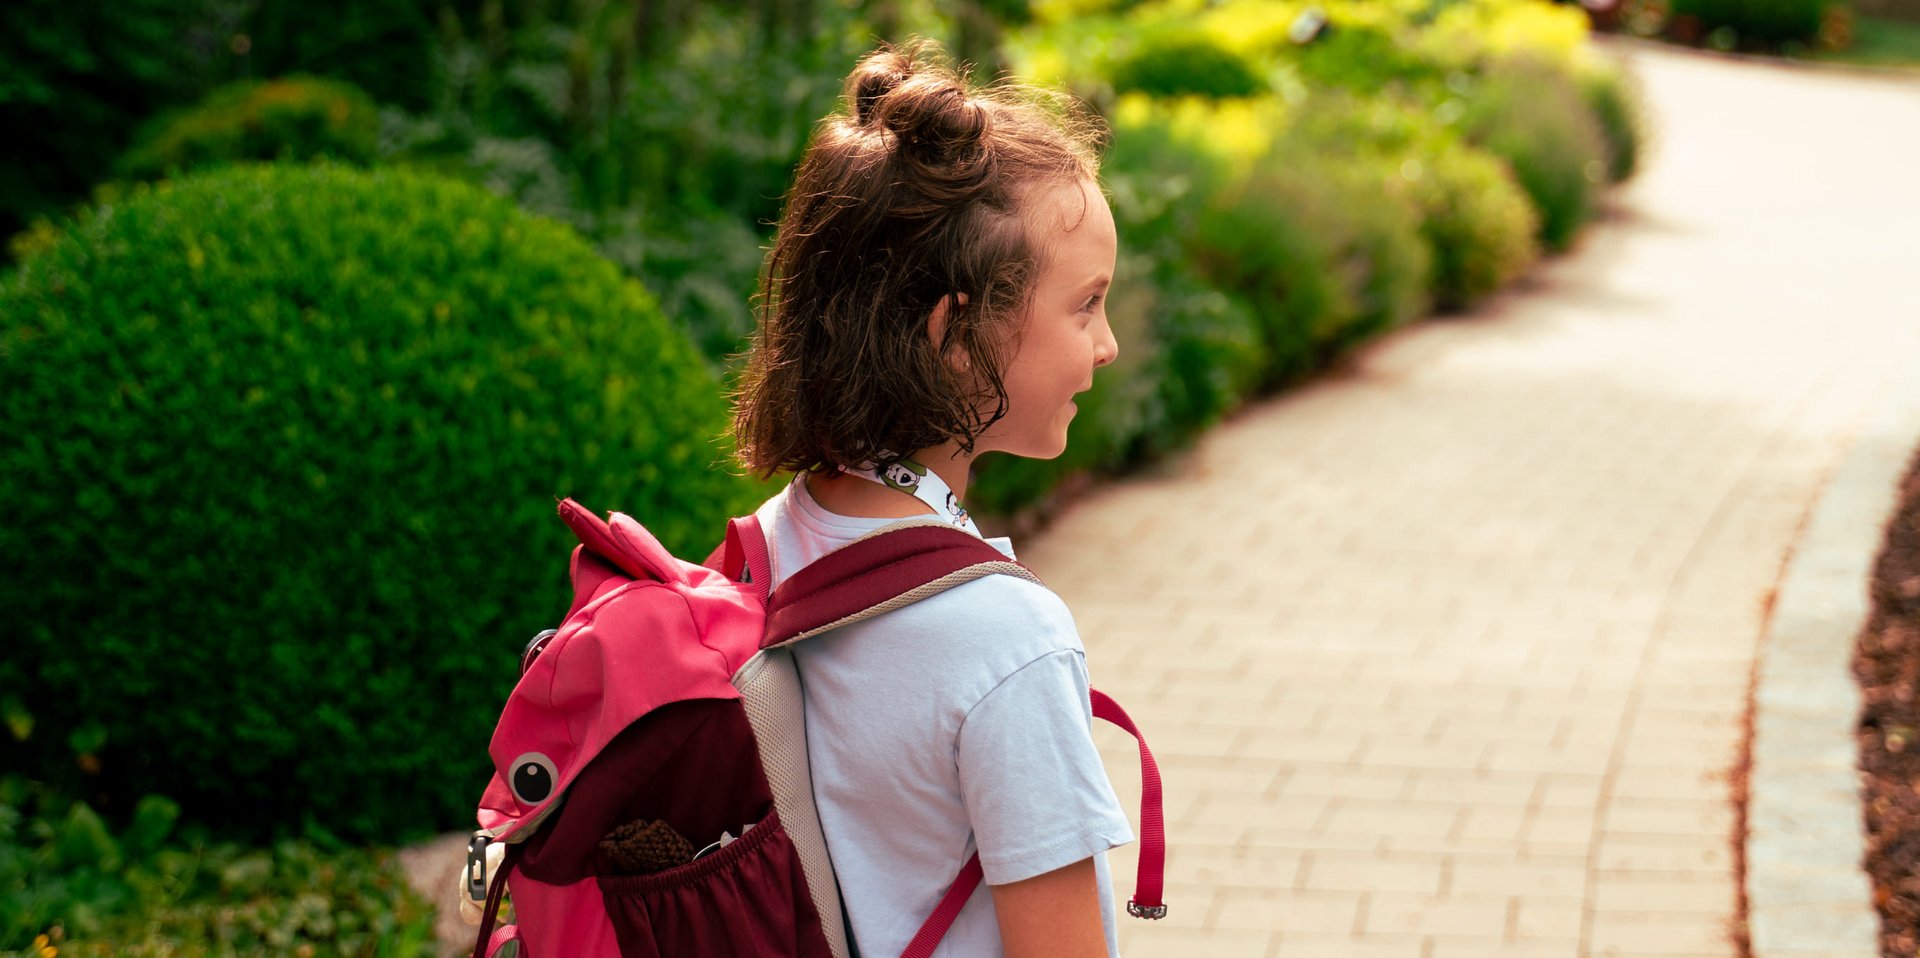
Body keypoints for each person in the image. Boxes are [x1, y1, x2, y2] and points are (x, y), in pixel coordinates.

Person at [728, 40, 1132, 958]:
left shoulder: (772, 545)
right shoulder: (1003, 640)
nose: (1106, 345)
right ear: (954, 332)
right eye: (1086, 304)